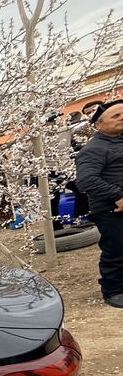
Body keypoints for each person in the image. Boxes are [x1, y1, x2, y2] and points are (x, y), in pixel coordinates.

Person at [75, 99, 123, 307]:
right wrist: (118, 197)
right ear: (99, 124)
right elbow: (86, 180)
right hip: (111, 208)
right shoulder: (94, 149)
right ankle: (113, 291)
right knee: (116, 249)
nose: (122, 118)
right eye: (116, 116)